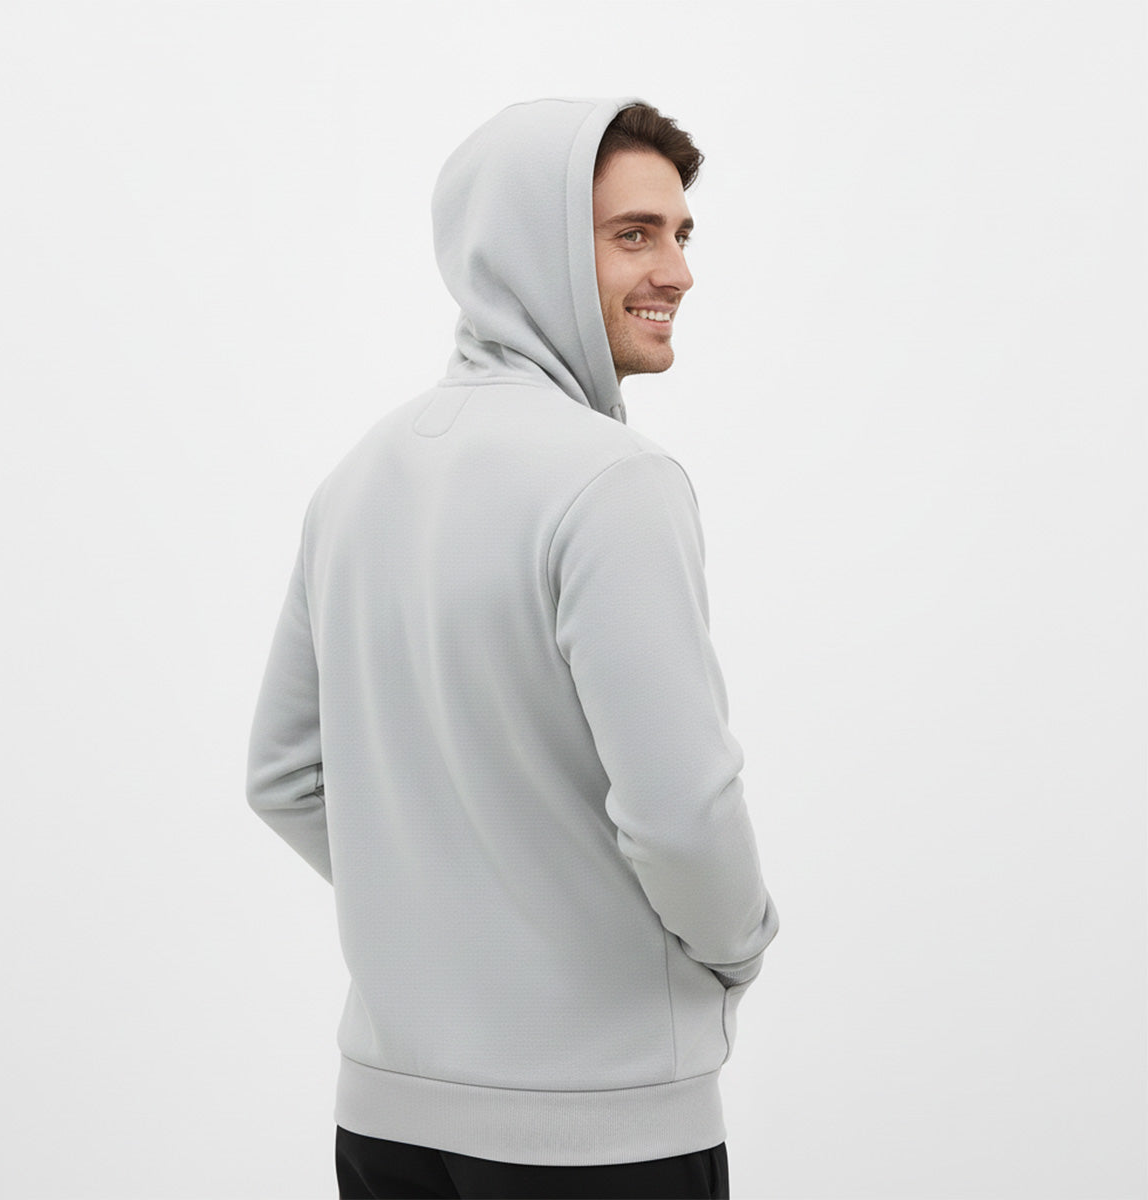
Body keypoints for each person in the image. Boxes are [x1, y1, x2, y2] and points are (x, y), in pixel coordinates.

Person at [246, 96, 780, 1200]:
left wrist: (446, 911)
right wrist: (736, 951)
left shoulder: (354, 482)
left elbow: (284, 777)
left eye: (682, 234)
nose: (678, 272)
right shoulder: (615, 484)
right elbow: (682, 814)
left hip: (385, 1121)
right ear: (534, 249)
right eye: (633, 234)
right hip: (599, 1132)